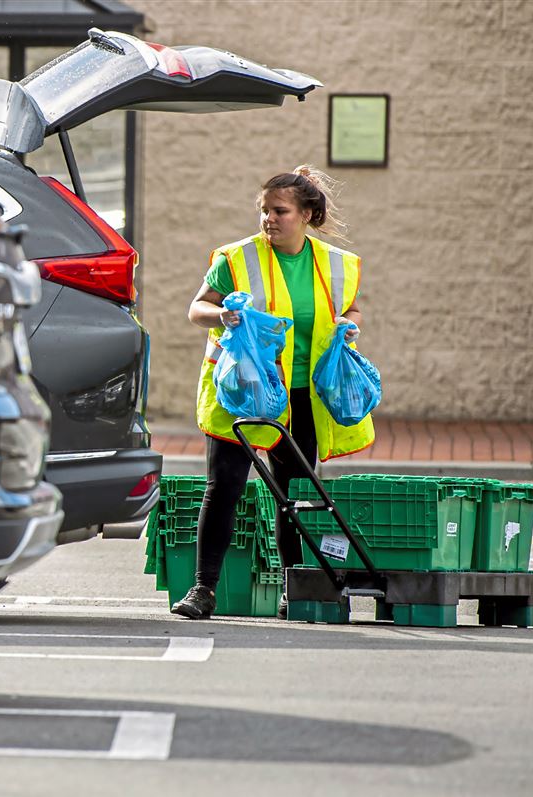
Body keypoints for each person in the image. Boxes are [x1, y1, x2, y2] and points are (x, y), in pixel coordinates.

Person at [171, 165, 375, 620]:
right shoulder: (236, 259)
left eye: (279, 211)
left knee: (294, 492)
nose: (269, 219)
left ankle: (293, 589)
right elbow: (196, 308)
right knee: (224, 486)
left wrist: (349, 325)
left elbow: (353, 310)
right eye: (264, 210)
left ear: (307, 214)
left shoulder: (334, 265)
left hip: (301, 396)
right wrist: (221, 317)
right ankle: (203, 590)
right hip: (243, 393)